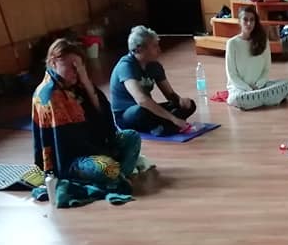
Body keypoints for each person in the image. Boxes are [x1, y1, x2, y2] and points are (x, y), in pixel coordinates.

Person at [33, 39, 141, 187]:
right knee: (107, 167)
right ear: (53, 63)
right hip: (72, 159)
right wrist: (100, 152)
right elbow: (68, 144)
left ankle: (118, 176)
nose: (76, 71)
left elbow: (102, 112)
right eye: (71, 66)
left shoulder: (76, 84)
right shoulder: (50, 94)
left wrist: (85, 81)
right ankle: (118, 177)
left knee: (132, 137)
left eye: (79, 66)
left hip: (94, 146)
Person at [110, 26, 196, 136]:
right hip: (129, 115)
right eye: (154, 46)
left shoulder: (154, 65)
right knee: (141, 111)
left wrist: (180, 101)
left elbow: (170, 95)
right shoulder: (126, 66)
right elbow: (142, 100)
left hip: (149, 110)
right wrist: (173, 118)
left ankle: (162, 126)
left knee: (190, 105)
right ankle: (166, 125)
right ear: (139, 49)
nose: (159, 50)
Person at [225, 4, 288, 110]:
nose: (249, 23)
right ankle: (263, 99)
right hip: (240, 89)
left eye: (252, 20)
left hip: (261, 86)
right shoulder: (232, 43)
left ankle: (255, 100)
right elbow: (232, 74)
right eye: (245, 20)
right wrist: (248, 89)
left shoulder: (263, 40)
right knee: (236, 99)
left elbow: (267, 68)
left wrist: (259, 85)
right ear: (239, 21)